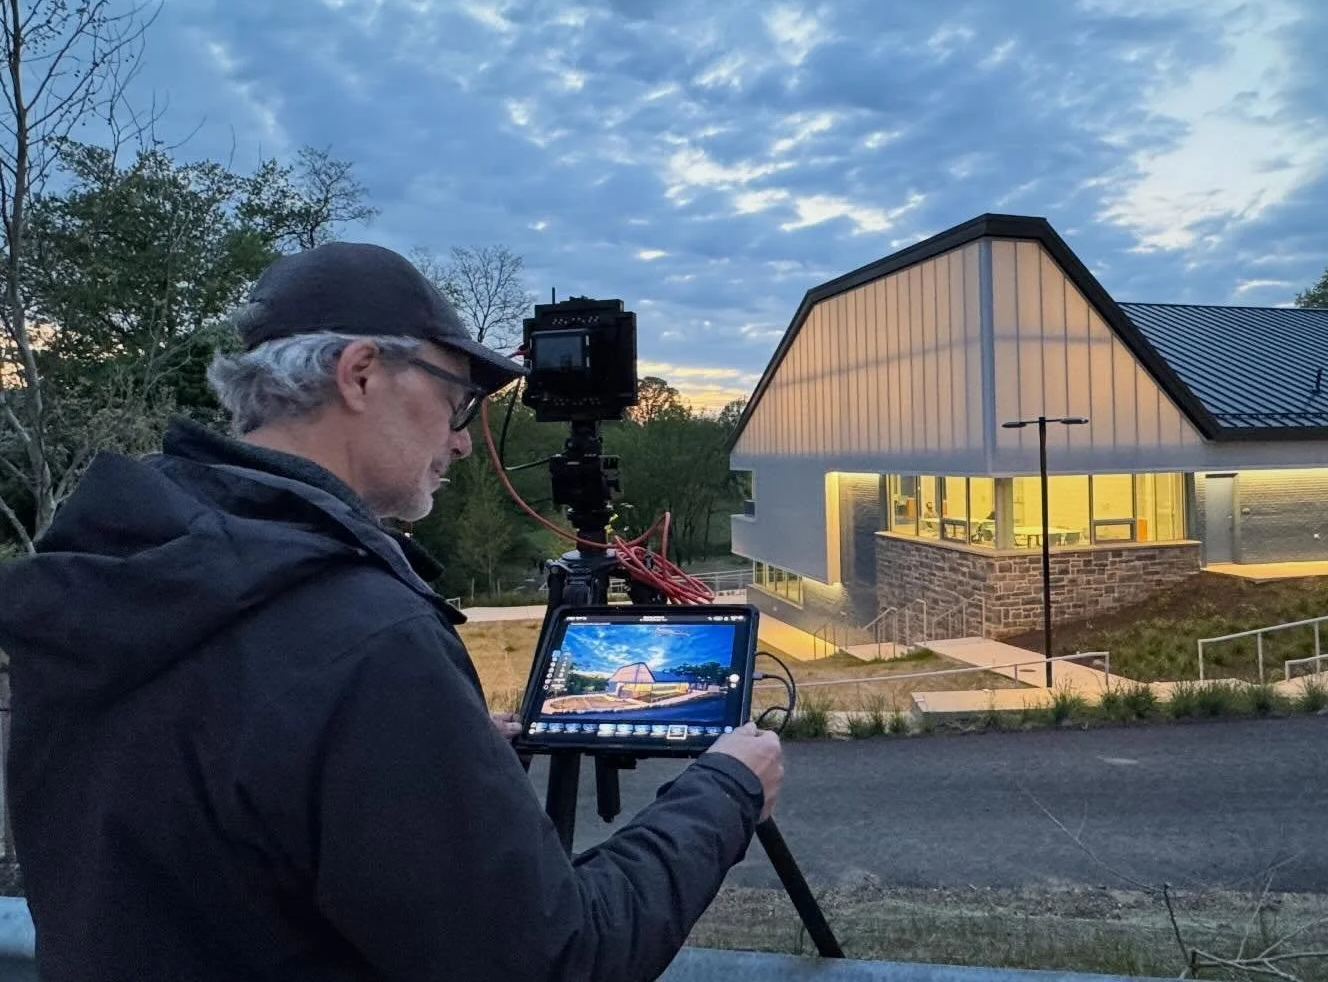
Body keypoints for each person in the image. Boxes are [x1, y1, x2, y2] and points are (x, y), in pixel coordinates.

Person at [0, 243, 784, 981]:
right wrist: (726, 791)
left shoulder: (107, 580)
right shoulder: (363, 635)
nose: (463, 441)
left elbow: (218, 815)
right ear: (362, 374)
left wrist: (422, 756)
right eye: (456, 400)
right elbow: (557, 957)